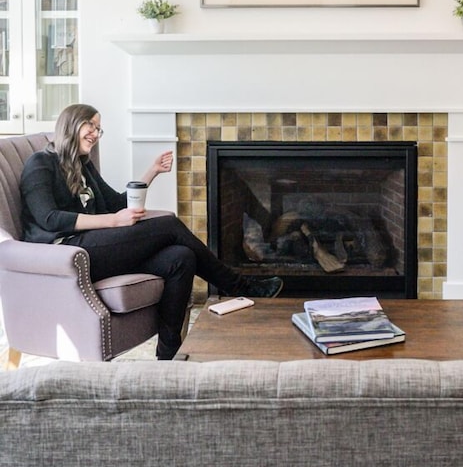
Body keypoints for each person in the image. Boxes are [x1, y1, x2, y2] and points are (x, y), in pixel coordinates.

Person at [20, 104, 284, 360]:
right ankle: (239, 286)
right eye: (90, 125)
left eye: (99, 128)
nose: (95, 133)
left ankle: (168, 355)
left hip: (96, 248)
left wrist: (152, 172)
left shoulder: (83, 166)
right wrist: (113, 221)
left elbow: (117, 202)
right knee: (169, 224)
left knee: (181, 258)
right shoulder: (40, 163)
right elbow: (49, 219)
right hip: (67, 253)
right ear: (71, 123)